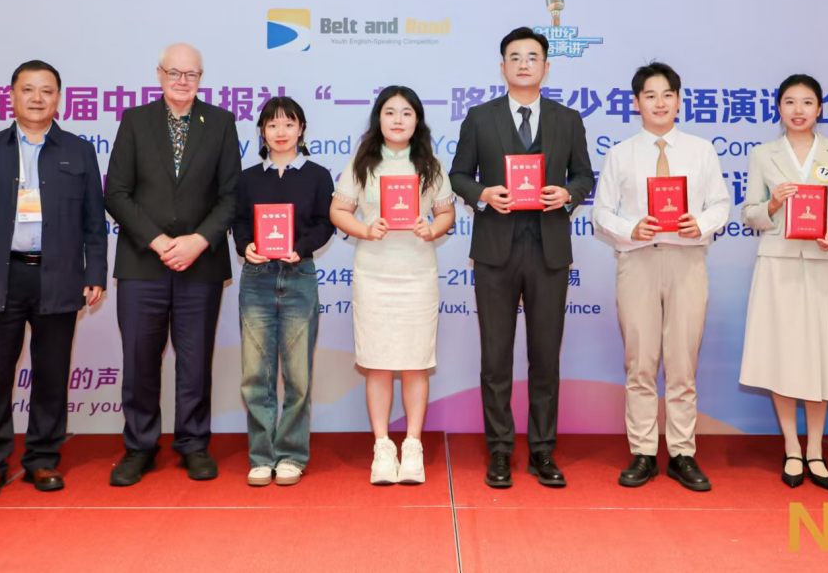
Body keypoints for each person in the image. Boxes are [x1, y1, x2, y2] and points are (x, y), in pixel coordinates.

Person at [0, 60, 106, 499]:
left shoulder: (78, 151)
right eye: (28, 89)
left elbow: (94, 221)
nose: (37, 98)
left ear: (59, 99)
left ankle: (43, 459)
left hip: (59, 277)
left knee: (52, 375)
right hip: (0, 277)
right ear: (12, 96)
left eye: (47, 90)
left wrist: (94, 272)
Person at [449, 27, 594, 488]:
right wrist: (483, 194)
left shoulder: (567, 119)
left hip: (549, 250)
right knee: (496, 357)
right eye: (515, 57)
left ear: (546, 67)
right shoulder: (480, 117)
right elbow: (458, 174)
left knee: (545, 357)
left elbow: (585, 175)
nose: (524, 64)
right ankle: (499, 450)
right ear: (503, 67)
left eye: (533, 57)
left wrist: (568, 194)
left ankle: (542, 450)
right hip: (495, 251)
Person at [104, 44, 241, 485]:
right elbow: (116, 193)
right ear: (159, 74)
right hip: (143, 262)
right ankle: (140, 447)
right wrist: (160, 241)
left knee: (195, 361)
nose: (183, 81)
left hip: (200, 264)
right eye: (174, 73)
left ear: (201, 78)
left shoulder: (220, 123)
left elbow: (231, 196)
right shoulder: (135, 121)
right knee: (140, 360)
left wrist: (198, 241)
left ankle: (193, 444)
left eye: (191, 74)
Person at [592, 61, 731, 492]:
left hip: (687, 262)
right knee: (640, 362)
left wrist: (700, 225)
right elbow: (601, 212)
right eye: (650, 96)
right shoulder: (621, 153)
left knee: (682, 362)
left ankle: (683, 453)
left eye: (667, 95)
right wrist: (630, 228)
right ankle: (643, 452)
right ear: (636, 103)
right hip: (638, 262)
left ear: (679, 100)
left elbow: (721, 204)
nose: (659, 103)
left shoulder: (701, 151)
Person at [737, 74, 828, 491]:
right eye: (789, 102)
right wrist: (772, 204)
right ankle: (792, 447)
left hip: (823, 264)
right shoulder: (763, 154)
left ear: (820, 108)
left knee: (819, 356)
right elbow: (749, 213)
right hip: (778, 265)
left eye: (807, 102)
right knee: (783, 355)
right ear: (778, 108)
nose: (798, 110)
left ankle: (816, 449)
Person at [330, 86, 455, 485]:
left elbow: (447, 213)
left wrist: (431, 228)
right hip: (374, 275)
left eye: (406, 113)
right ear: (378, 118)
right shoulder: (361, 163)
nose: (398, 120)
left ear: (417, 120)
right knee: (379, 362)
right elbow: (338, 210)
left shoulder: (431, 164)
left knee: (416, 362)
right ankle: (383, 447)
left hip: (417, 275)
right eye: (390, 112)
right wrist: (365, 230)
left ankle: (413, 446)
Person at [231, 97, 335, 487]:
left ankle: (291, 454)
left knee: (298, 375)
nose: (280, 132)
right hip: (256, 279)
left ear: (301, 129)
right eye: (272, 125)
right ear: (261, 131)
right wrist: (246, 246)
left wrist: (301, 247)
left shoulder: (317, 175)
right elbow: (239, 221)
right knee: (255, 374)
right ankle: (261, 456)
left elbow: (325, 222)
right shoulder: (247, 178)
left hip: (298, 276)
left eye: (289, 124)